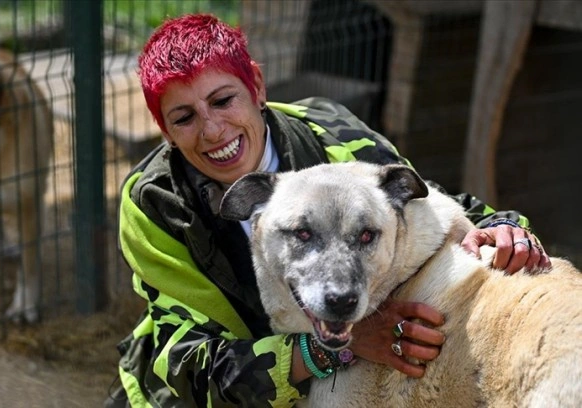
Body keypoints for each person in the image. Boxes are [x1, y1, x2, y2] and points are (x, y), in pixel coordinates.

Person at [105, 13, 551, 407]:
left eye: (223, 100)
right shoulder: (155, 203)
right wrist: (340, 346)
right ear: (165, 131)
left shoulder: (334, 136)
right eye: (184, 118)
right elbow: (191, 370)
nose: (213, 130)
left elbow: (423, 203)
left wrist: (501, 227)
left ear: (256, 87)